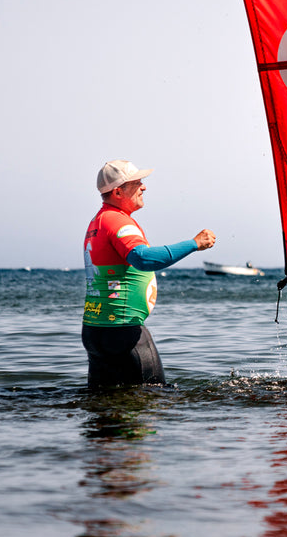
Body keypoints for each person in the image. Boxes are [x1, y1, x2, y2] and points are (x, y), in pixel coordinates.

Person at [82, 160, 216, 387]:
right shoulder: (116, 221)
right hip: (124, 333)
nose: (143, 187)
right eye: (136, 183)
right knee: (154, 399)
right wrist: (194, 243)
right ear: (117, 191)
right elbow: (143, 258)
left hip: (96, 332)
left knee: (105, 408)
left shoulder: (98, 222)